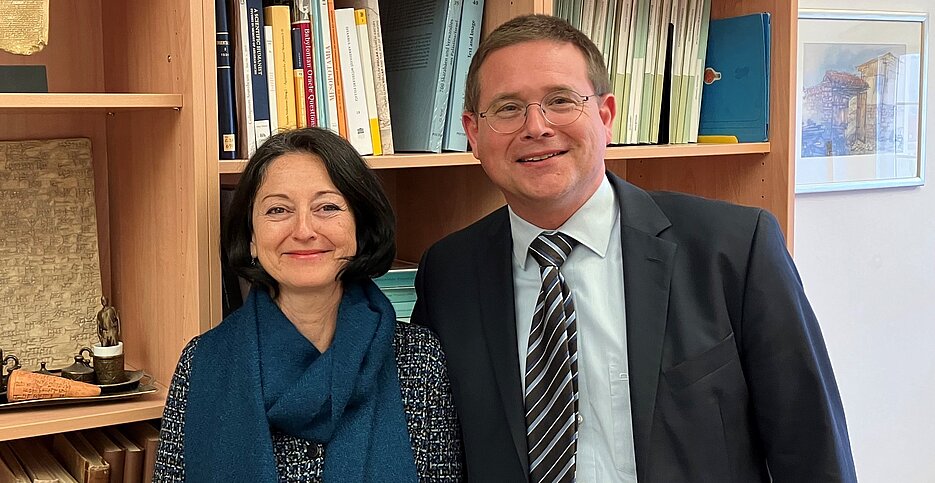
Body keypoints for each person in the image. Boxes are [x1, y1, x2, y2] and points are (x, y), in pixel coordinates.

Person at [412, 14, 856, 482]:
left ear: (605, 116)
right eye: (507, 108)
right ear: (473, 133)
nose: (536, 126)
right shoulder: (448, 273)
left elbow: (812, 452)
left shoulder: (734, 249)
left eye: (561, 100)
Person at [154, 128, 463, 482]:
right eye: (278, 210)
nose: (303, 230)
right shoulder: (202, 363)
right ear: (251, 237)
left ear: (360, 228)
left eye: (327, 207)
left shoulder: (420, 359)